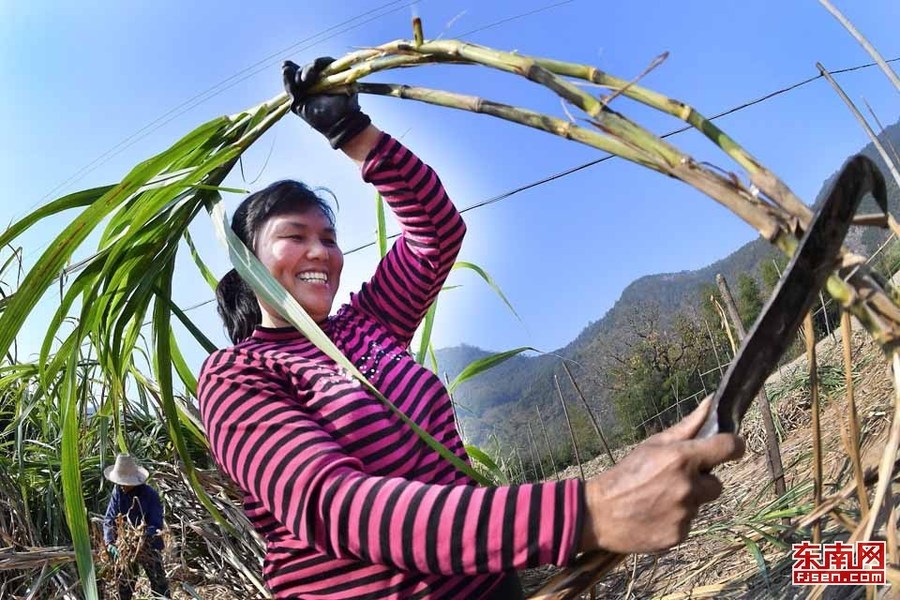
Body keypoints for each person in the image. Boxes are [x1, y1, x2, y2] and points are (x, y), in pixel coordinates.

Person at [196, 57, 745, 600]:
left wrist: (352, 131)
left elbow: (436, 231)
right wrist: (591, 510)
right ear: (246, 262)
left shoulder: (367, 325)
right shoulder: (239, 377)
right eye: (295, 236)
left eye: (330, 238)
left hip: (488, 585)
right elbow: (342, 506)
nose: (321, 251)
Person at [102, 453, 170, 599]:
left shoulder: (150, 495)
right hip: (124, 547)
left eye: (125, 483)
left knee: (159, 584)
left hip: (149, 545)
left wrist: (140, 538)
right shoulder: (117, 492)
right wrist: (109, 542)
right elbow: (109, 518)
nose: (123, 486)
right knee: (124, 584)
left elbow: (156, 524)